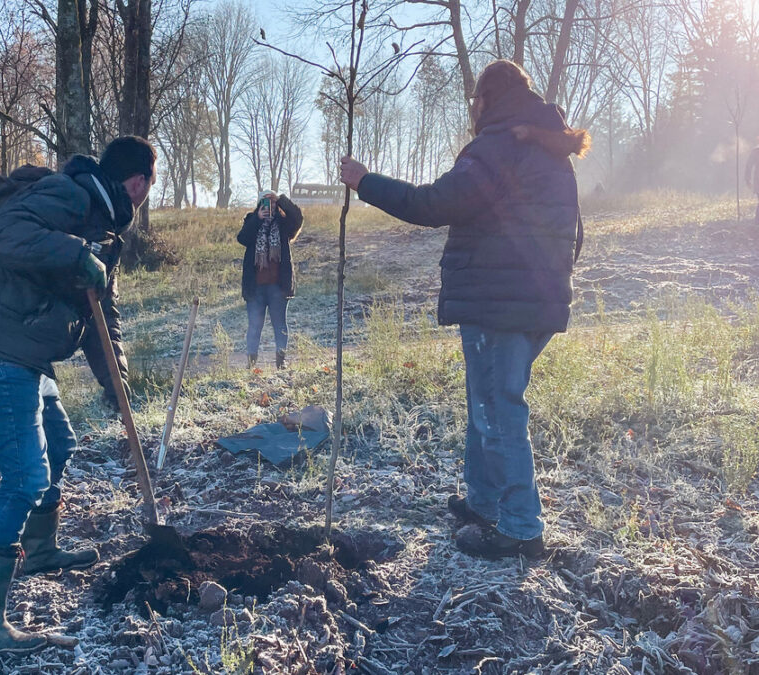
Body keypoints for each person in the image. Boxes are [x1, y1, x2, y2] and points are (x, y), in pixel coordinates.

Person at [339, 60, 589, 560]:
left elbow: (435, 203)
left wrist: (365, 182)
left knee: (498, 409)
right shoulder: (544, 145)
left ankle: (520, 528)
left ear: (486, 100)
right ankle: (483, 502)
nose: (471, 108)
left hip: (500, 301)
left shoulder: (499, 146)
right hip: (531, 297)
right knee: (489, 403)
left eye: (474, 99)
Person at [0, 136, 156, 654]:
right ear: (138, 182)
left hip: (25, 348)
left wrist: (117, 384)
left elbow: (105, 317)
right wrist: (77, 253)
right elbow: (1, 236)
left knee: (60, 441)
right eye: (150, 183)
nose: (148, 192)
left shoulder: (104, 229)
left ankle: (39, 549)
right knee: (25, 475)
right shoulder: (71, 195)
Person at [237, 191, 303, 369]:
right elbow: (242, 238)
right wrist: (257, 219)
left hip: (278, 287)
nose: (270, 207)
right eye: (266, 203)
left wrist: (281, 199)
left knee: (280, 325)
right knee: (254, 327)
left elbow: (298, 218)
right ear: (259, 205)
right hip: (255, 287)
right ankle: (251, 365)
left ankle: (281, 363)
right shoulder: (252, 220)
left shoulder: (284, 224)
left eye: (272, 204)